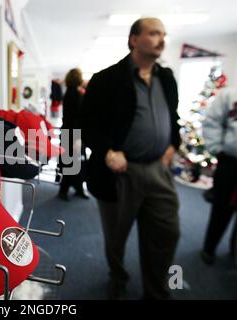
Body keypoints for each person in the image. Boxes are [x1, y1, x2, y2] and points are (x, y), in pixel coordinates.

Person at [81, 17, 181, 299]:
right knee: (116, 236)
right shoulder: (106, 80)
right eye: (153, 33)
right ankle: (118, 276)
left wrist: (174, 144)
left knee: (166, 231)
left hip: (159, 169)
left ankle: (156, 290)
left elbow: (173, 117)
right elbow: (88, 126)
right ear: (134, 39)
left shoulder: (167, 78)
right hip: (120, 173)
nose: (161, 39)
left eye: (164, 34)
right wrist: (108, 151)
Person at [201, 54, 237, 265]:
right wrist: (217, 150)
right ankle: (209, 248)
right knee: (222, 209)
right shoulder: (229, 95)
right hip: (231, 163)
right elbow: (211, 122)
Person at [58, 68, 89, 201]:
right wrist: (77, 139)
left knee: (74, 163)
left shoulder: (70, 93)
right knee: (72, 164)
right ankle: (64, 191)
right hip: (73, 135)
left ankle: (78, 189)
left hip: (69, 132)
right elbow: (76, 118)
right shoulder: (75, 94)